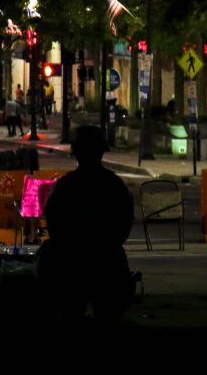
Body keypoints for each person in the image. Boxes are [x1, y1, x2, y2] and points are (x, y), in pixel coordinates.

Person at [37, 125, 135, 325]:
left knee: (70, 314)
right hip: (106, 260)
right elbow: (125, 222)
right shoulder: (114, 185)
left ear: (77, 153)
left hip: (72, 263)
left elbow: (54, 222)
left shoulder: (67, 185)